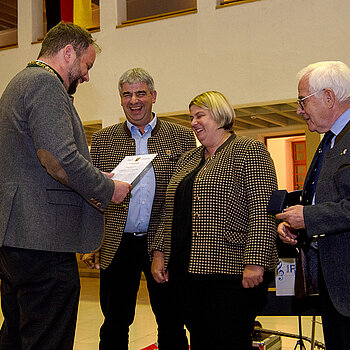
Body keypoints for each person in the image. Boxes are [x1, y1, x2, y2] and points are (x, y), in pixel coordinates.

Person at [0, 22, 131, 350]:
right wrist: (106, 187)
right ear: (68, 52)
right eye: (86, 65)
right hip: (43, 237)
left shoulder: (18, 83)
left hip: (16, 238)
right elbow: (58, 158)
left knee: (17, 335)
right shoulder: (45, 84)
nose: (86, 76)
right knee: (48, 338)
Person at [151, 91, 278, 350]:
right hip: (188, 272)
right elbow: (169, 210)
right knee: (199, 339)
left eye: (200, 115)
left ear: (220, 115)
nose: (193, 122)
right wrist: (159, 251)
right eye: (191, 117)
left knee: (229, 340)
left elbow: (263, 210)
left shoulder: (248, 150)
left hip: (232, 272)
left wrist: (255, 261)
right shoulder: (188, 159)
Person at [82, 68, 196, 350]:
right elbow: (93, 194)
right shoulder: (103, 139)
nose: (134, 100)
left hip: (163, 244)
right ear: (120, 100)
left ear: (153, 96)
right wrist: (92, 241)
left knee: (171, 319)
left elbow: (185, 195)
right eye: (127, 94)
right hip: (117, 245)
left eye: (141, 93)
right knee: (114, 322)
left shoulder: (180, 136)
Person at [276, 61, 350, 350]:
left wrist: (309, 216)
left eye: (302, 100)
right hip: (334, 285)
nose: (298, 109)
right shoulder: (329, 140)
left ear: (329, 97)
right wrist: (298, 225)